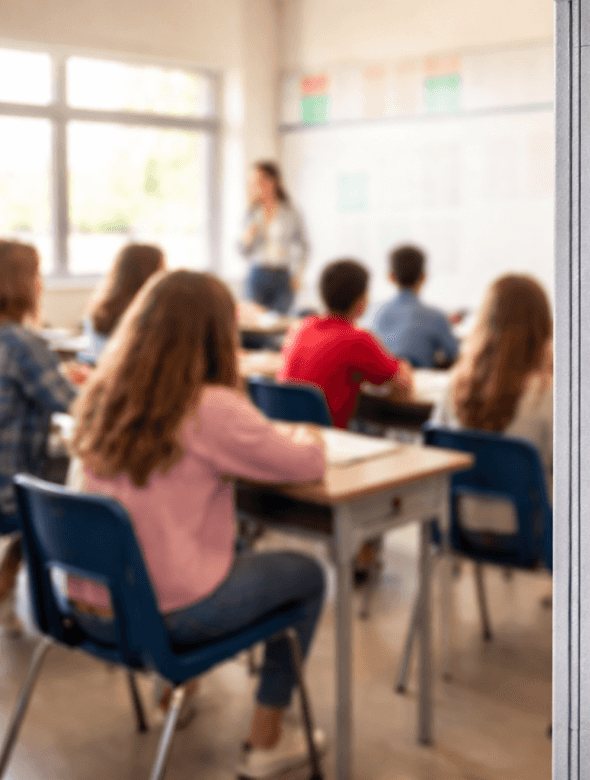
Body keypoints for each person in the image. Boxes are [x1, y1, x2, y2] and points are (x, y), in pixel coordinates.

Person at [68, 270, 329, 780]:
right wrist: (311, 442)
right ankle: (265, 741)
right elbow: (305, 466)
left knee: (174, 543)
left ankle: (175, 694)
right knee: (307, 575)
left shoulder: (106, 393)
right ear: (219, 335)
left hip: (84, 606)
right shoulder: (212, 407)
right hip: (158, 620)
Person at [0, 241, 84, 631]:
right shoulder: (22, 344)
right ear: (22, 285)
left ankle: (6, 586)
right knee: (75, 479)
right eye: (37, 276)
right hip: (8, 492)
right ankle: (82, 604)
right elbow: (80, 409)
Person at [432, 274, 553, 538]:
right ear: (544, 324)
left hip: (458, 522)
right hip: (529, 530)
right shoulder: (548, 394)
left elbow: (432, 454)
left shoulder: (455, 386)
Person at [279, 259, 413, 427]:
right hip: (328, 438)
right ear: (362, 300)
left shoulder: (300, 327)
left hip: (288, 433)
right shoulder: (357, 339)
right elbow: (402, 382)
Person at [370, 244, 460, 368]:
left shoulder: (373, 312)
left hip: (382, 381)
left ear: (391, 277)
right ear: (423, 276)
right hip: (418, 381)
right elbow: (453, 353)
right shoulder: (436, 316)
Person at [238, 161, 308, 315]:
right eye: (253, 182)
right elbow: (242, 252)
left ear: (274, 181)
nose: (256, 186)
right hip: (257, 274)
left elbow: (303, 246)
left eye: (260, 181)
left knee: (278, 322)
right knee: (253, 323)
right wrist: (247, 237)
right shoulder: (251, 213)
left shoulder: (291, 211)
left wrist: (299, 274)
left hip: (283, 276)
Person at [82, 243, 165, 363]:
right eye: (163, 267)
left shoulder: (99, 309)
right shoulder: (151, 313)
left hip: (98, 374)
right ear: (152, 273)